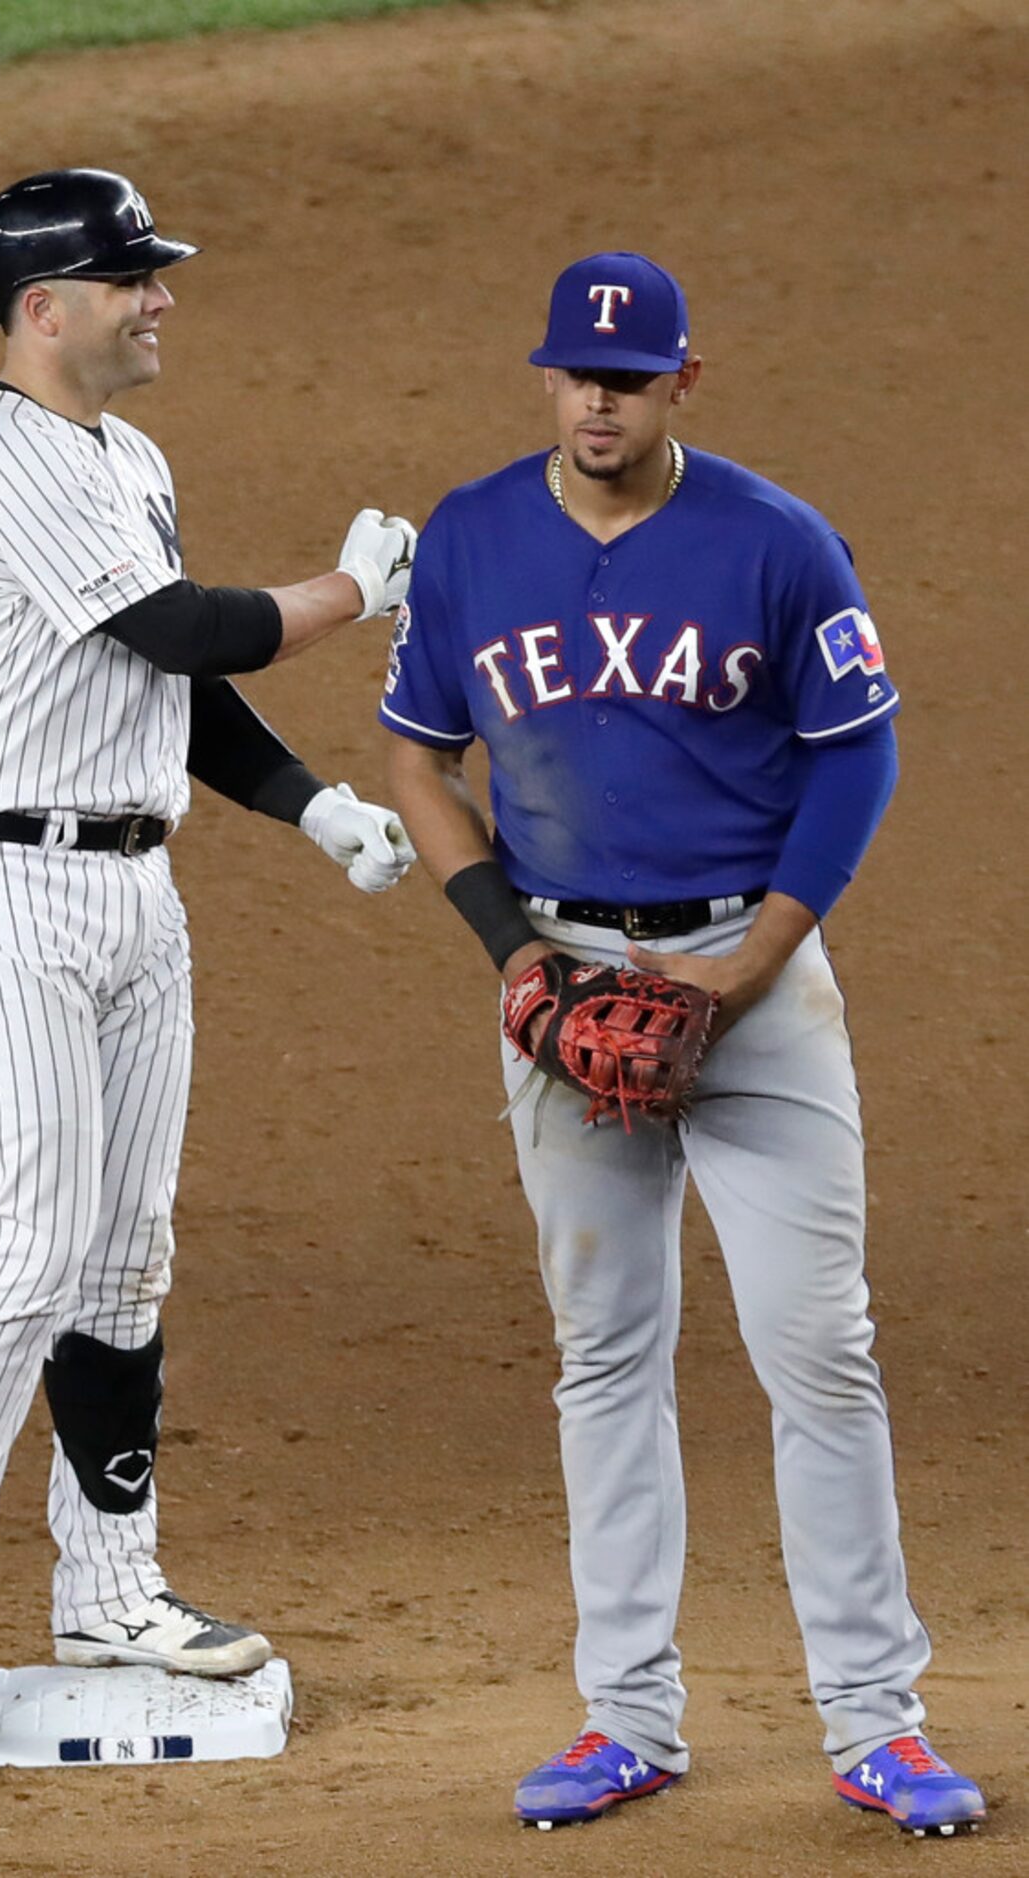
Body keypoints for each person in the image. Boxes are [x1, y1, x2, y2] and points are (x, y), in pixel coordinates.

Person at [380, 253, 986, 1838]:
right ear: (548, 380)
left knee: (818, 1346)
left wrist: (744, 968)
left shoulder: (773, 542)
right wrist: (515, 957)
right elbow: (417, 753)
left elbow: (855, 762)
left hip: (757, 971)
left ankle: (876, 1719)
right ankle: (626, 1715)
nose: (597, 400)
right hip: (566, 978)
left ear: (678, 384)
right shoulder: (469, 538)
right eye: (577, 375)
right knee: (603, 1354)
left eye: (629, 378)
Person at [0, 167, 418, 1732]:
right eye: (132, 278)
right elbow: (192, 630)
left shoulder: (127, 454)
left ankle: (111, 1591)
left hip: (127, 890)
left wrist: (312, 809)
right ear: (46, 310)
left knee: (123, 1254)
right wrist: (352, 591)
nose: (161, 296)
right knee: (33, 1238)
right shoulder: (1, 458)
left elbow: (169, 685)